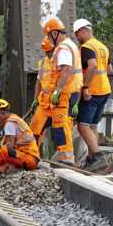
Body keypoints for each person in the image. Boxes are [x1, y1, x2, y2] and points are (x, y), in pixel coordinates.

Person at [41, 17, 83, 165]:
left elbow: (66, 70)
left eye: (48, 35)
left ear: (54, 33)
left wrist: (57, 91)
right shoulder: (71, 45)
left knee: (60, 124)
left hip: (66, 91)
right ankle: (65, 156)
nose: (48, 39)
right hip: (73, 90)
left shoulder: (63, 48)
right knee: (65, 123)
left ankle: (66, 158)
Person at [73, 19, 112, 169]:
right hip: (104, 90)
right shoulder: (102, 47)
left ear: (83, 31)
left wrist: (86, 86)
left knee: (83, 126)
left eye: (77, 34)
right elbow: (110, 70)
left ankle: (97, 156)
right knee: (92, 126)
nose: (77, 38)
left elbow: (93, 65)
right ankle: (91, 159)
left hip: (93, 91)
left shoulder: (87, 47)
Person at [0, 99, 41, 174]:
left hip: (29, 159)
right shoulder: (13, 119)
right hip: (29, 157)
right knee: (0, 159)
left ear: (2, 114)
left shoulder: (10, 123)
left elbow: (9, 147)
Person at [29, 36, 54, 144]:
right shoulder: (43, 63)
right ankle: (33, 155)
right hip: (43, 104)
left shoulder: (61, 62)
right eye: (46, 51)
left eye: (50, 51)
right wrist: (35, 99)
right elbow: (38, 82)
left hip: (57, 104)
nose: (48, 54)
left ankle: (65, 158)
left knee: (61, 133)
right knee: (34, 130)